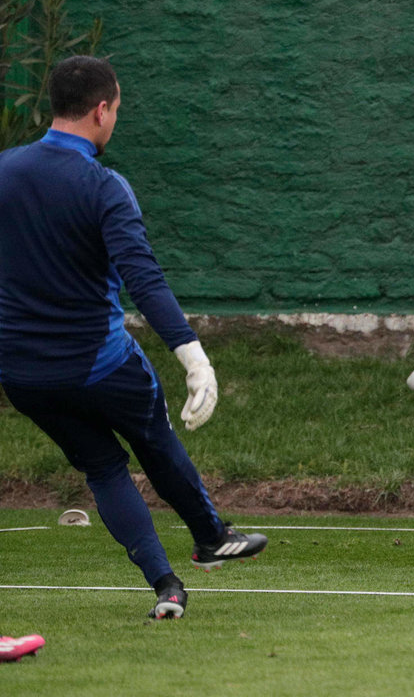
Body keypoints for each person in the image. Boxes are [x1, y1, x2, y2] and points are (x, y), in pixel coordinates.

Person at [0, 55, 268, 619]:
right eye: (116, 110)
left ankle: (165, 584)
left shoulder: (4, 171)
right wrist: (195, 359)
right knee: (155, 440)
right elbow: (143, 280)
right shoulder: (104, 186)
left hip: (24, 375)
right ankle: (210, 537)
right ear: (101, 110)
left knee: (102, 468)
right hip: (101, 366)